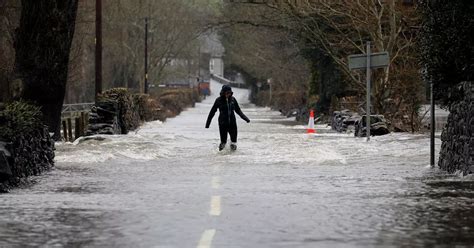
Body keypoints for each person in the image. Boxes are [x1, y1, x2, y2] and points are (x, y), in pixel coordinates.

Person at [205, 85, 250, 151]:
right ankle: (221, 156)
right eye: (227, 93)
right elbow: (212, 112)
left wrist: (246, 118)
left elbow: (238, 110)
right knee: (223, 142)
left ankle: (232, 156)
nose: (228, 95)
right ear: (223, 93)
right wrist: (207, 124)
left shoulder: (233, 100)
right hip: (223, 124)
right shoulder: (218, 100)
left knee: (234, 142)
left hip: (232, 123)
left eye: (229, 93)